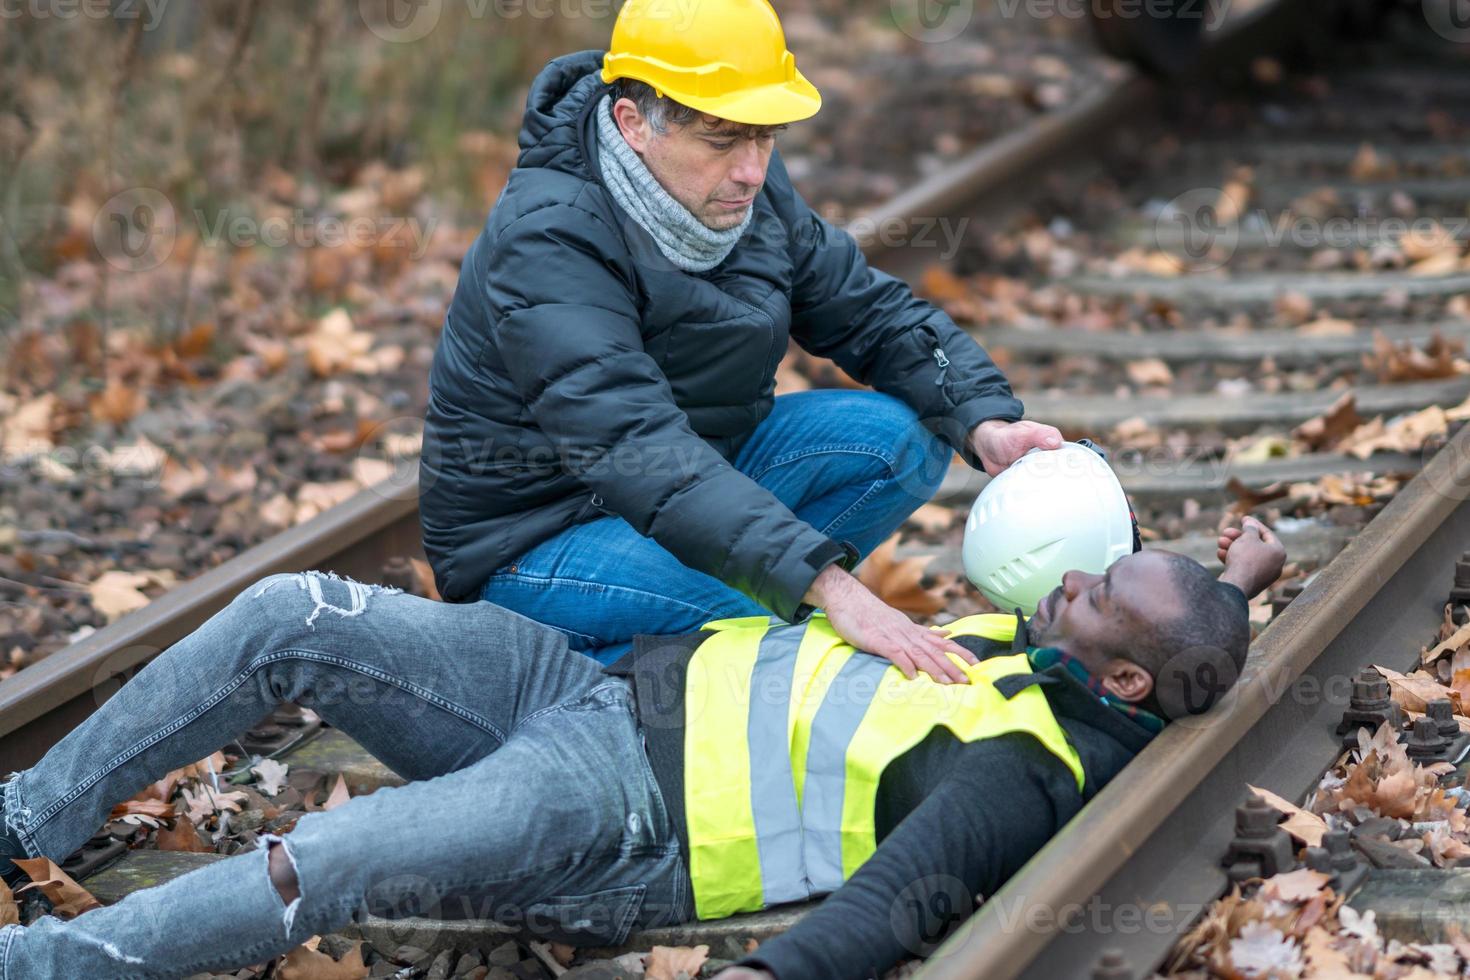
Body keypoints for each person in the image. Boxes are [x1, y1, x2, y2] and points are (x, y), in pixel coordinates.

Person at [0, 518, 1284, 980]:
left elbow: (901, 903)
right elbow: (1184, 646)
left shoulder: (1020, 771)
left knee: (325, 857)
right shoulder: (1074, 655)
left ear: (1123, 675)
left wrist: (771, 976)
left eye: (1101, 586)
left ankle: (36, 963)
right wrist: (1240, 578)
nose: (1065, 577)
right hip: (585, 686)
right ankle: (28, 814)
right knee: (295, 613)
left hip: (621, 810)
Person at [418, 0, 1063, 672]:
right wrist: (826, 584)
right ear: (632, 123)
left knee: (895, 442)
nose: (752, 169)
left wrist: (983, 418)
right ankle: (591, 672)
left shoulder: (741, 189)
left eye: (765, 136)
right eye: (722, 140)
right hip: (540, 540)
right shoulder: (550, 236)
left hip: (688, 482)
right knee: (753, 617)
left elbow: (864, 309)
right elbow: (633, 442)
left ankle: (713, 632)